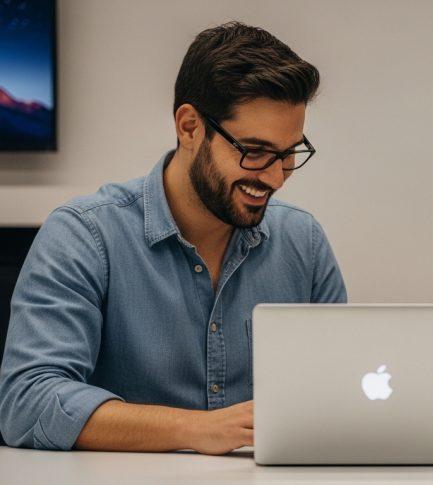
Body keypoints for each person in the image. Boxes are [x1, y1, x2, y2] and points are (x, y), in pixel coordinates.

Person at [0, 22, 346, 454]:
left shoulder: (304, 242)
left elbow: (341, 391)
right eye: (253, 152)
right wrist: (197, 429)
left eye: (290, 153)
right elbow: (27, 402)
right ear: (189, 127)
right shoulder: (85, 235)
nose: (276, 177)